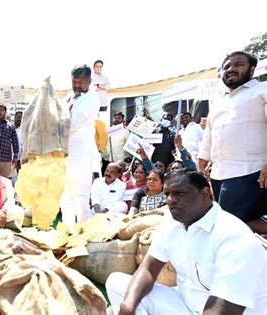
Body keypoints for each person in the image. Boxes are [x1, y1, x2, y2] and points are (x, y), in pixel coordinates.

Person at [106, 169, 267, 314]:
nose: (170, 200)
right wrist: (127, 306)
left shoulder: (233, 237)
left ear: (205, 194)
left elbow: (224, 310)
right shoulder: (172, 222)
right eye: (167, 194)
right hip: (186, 304)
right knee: (117, 284)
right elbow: (148, 269)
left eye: (179, 193)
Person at [198, 51, 267, 222]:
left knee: (227, 224)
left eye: (238, 65)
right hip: (218, 174)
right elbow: (210, 134)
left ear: (251, 70)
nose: (231, 69)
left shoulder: (262, 90)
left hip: (250, 171)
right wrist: (201, 164)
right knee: (234, 223)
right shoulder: (219, 100)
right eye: (227, 66)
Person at [59, 65, 100, 230]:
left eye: (80, 82)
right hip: (65, 153)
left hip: (81, 154)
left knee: (80, 196)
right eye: (74, 81)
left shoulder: (92, 98)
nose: (76, 85)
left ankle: (84, 231)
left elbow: (73, 124)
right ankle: (68, 230)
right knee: (65, 196)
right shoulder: (69, 96)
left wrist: (54, 121)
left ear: (89, 81)